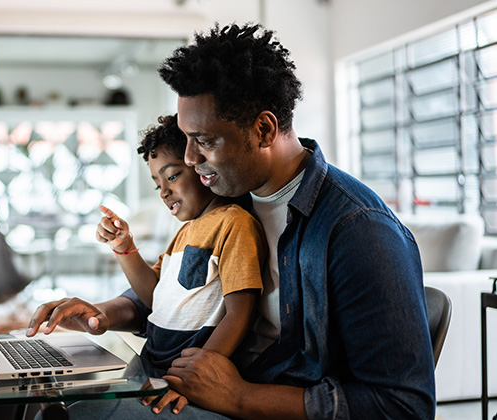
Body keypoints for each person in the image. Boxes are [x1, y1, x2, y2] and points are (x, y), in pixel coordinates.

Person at [26, 22, 435, 420]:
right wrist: (103, 314)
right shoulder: (228, 195)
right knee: (46, 402)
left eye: (203, 140)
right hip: (199, 387)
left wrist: (240, 397)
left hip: (249, 402)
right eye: (186, 138)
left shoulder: (359, 231)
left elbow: (403, 406)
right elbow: (179, 290)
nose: (188, 158)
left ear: (263, 129)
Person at [96, 114, 267, 413]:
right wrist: (125, 248)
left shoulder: (234, 223)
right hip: (150, 367)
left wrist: (193, 379)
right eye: (156, 184)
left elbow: (240, 313)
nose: (163, 191)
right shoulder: (186, 232)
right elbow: (155, 298)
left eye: (172, 176)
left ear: (202, 169)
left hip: (183, 383)